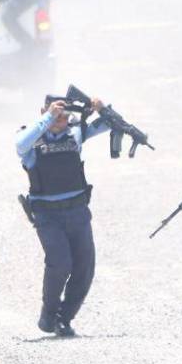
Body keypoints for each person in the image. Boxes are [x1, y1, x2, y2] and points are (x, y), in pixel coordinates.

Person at [16, 93, 110, 337]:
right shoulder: (33, 137)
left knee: (85, 266)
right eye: (56, 115)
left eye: (64, 116)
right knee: (60, 263)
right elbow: (19, 145)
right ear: (44, 112)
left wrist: (102, 108)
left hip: (77, 211)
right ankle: (48, 312)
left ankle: (64, 318)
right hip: (48, 216)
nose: (61, 120)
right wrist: (48, 118)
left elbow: (109, 123)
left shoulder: (76, 133)